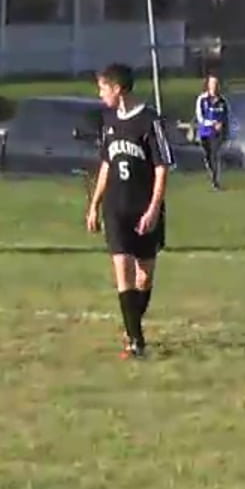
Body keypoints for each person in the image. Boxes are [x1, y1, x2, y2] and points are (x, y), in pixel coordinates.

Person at [85, 62, 172, 359]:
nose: (100, 94)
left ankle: (132, 325)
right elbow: (106, 164)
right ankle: (136, 341)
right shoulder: (108, 120)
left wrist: (153, 209)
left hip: (143, 208)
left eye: (103, 88)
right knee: (123, 271)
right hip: (116, 208)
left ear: (118, 89)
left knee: (143, 278)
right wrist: (94, 205)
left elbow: (162, 168)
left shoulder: (150, 121)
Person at [193, 74, 231, 190]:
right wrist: (212, 123)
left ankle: (215, 181)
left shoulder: (222, 101)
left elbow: (226, 117)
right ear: (208, 85)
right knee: (208, 156)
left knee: (215, 155)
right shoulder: (202, 99)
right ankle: (211, 173)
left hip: (217, 134)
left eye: (216, 84)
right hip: (205, 132)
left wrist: (224, 129)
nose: (214, 86)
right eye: (212, 83)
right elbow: (200, 117)